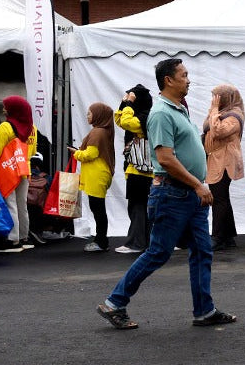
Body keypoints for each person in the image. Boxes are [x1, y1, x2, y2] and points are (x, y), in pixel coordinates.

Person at [96, 58, 236, 330]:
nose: (189, 79)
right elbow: (165, 158)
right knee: (158, 252)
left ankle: (204, 310)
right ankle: (114, 303)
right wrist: (197, 184)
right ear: (169, 80)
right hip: (175, 194)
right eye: (184, 75)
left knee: (202, 251)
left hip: (190, 195)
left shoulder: (178, 109)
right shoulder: (161, 113)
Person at [0, 95, 38, 250]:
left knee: (10, 204)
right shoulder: (32, 128)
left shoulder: (5, 127)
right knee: (22, 204)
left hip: (7, 170)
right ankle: (24, 237)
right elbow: (33, 150)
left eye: (6, 107)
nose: (3, 109)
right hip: (24, 170)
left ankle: (12, 239)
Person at [203, 84, 245, 251]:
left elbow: (217, 131)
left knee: (217, 198)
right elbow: (207, 125)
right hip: (217, 158)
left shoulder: (234, 116)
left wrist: (214, 111)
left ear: (226, 98)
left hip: (225, 161)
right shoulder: (222, 113)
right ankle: (228, 237)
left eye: (217, 98)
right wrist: (213, 111)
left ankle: (218, 236)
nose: (214, 101)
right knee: (222, 197)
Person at [114, 84, 154, 254]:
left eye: (132, 97)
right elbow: (119, 119)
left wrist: (128, 105)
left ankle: (136, 243)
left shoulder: (145, 117)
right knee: (140, 207)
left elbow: (125, 121)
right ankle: (145, 241)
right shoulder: (144, 115)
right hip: (139, 171)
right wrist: (125, 104)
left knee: (138, 207)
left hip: (141, 171)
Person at [72, 103, 115, 252]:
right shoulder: (104, 131)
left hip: (97, 175)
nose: (87, 116)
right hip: (99, 174)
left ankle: (101, 241)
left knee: (98, 209)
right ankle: (100, 239)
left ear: (98, 115)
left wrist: (76, 153)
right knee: (98, 209)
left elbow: (90, 154)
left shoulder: (97, 132)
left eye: (90, 113)